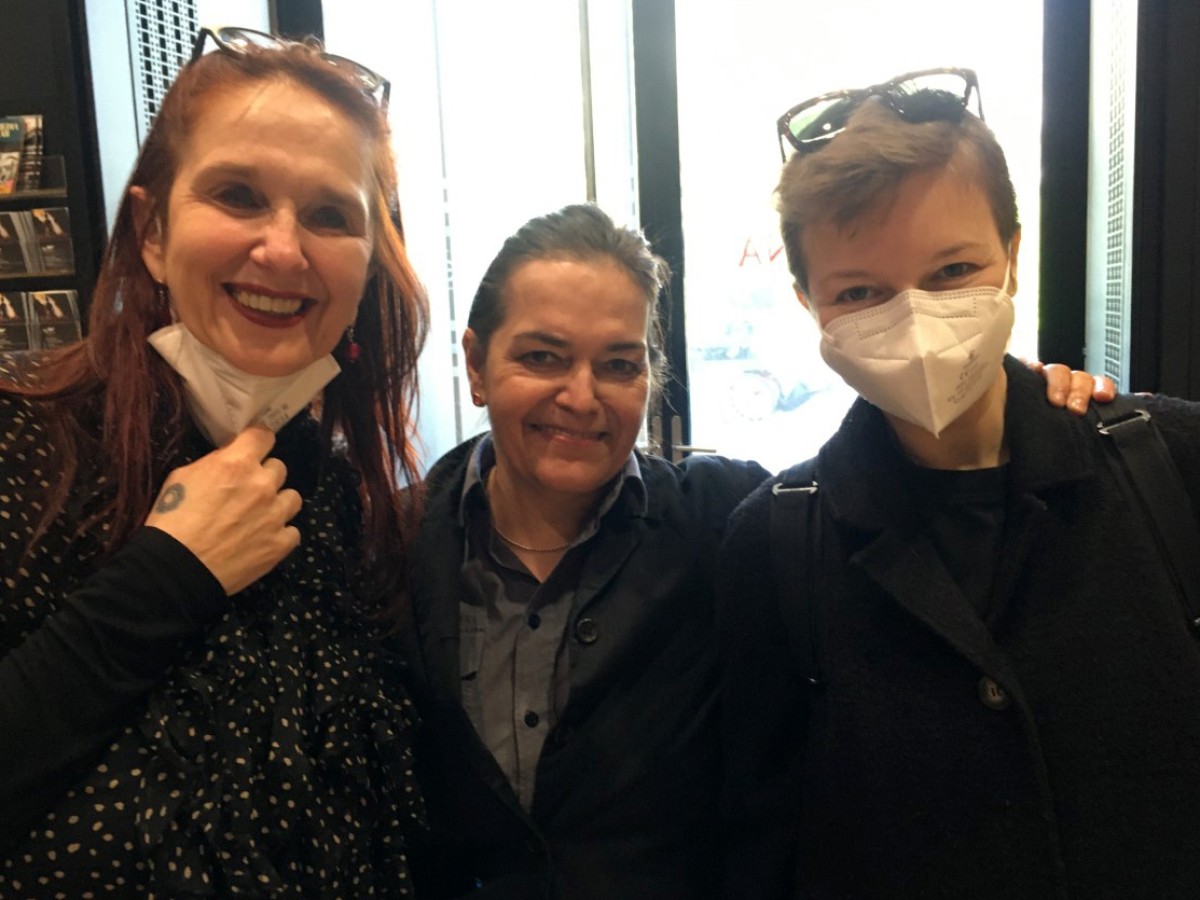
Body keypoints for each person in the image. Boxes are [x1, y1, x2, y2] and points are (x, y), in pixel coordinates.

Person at [401, 203, 1108, 900]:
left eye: (618, 364)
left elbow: (905, 508)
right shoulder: (391, 544)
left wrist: (1008, 402)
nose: (581, 396)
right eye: (542, 357)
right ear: (476, 363)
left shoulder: (730, 520)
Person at [718, 67, 1200, 900]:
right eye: (861, 292)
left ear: (1012, 254)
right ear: (809, 303)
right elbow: (761, 845)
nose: (914, 320)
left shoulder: (1171, 465)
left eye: (951, 272)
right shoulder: (775, 543)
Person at [0, 27, 427, 896]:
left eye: (329, 214)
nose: (282, 249)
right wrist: (167, 578)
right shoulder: (25, 444)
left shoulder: (349, 501)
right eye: (238, 195)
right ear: (153, 235)